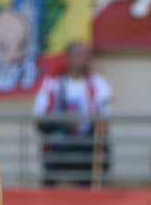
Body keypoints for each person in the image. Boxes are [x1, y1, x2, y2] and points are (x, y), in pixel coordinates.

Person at [32, 42, 111, 188]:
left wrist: (83, 125)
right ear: (68, 58)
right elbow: (40, 117)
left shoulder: (98, 84)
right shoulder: (53, 84)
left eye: (86, 55)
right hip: (60, 140)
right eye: (78, 55)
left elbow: (104, 118)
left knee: (97, 152)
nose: (83, 59)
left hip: (87, 142)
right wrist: (63, 122)